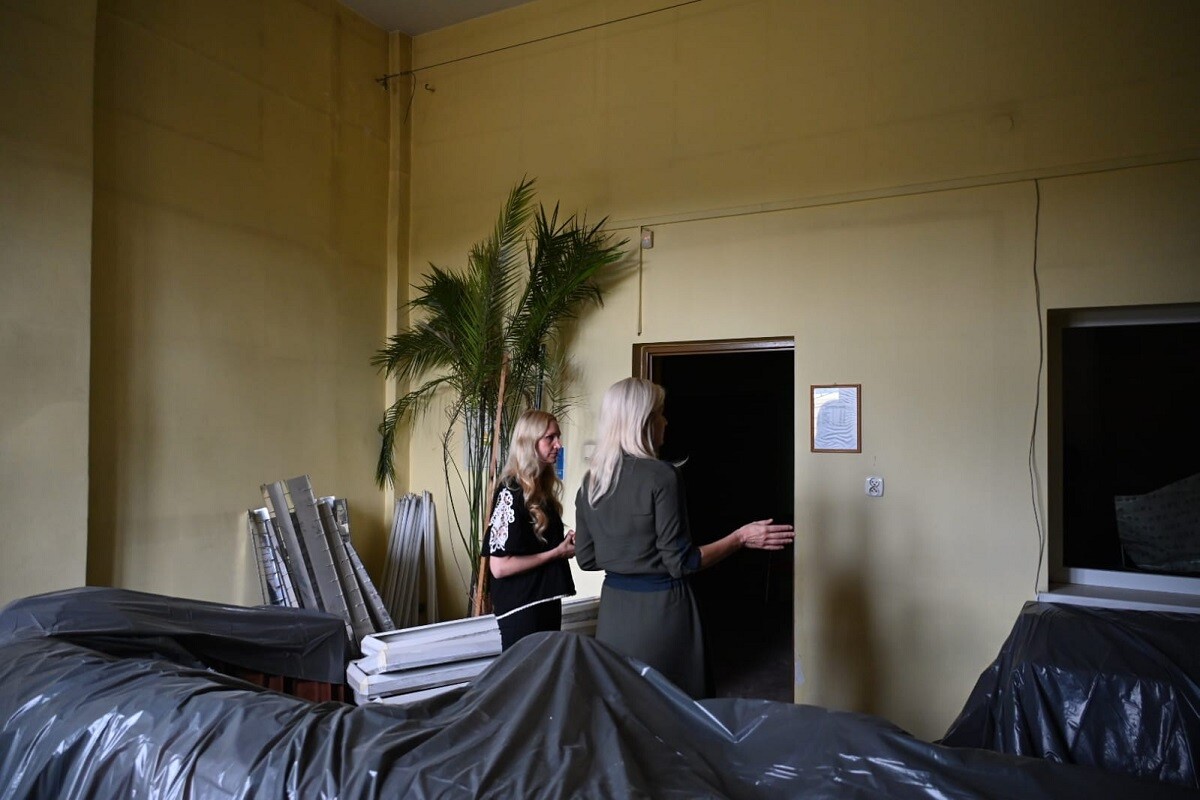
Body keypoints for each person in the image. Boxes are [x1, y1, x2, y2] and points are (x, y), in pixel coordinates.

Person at [574, 377, 794, 697]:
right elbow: (682, 562)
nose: (666, 421)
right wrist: (740, 537)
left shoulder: (591, 483)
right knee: (675, 709)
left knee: (626, 705)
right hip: (662, 613)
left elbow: (586, 559)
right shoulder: (662, 476)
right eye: (660, 413)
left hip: (613, 616)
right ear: (643, 422)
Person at [487, 409, 577, 650]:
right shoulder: (510, 491)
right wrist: (556, 553)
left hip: (545, 600)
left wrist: (563, 545)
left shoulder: (540, 490)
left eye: (558, 437)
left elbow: (536, 546)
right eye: (550, 438)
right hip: (522, 609)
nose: (559, 444)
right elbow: (499, 567)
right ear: (529, 443)